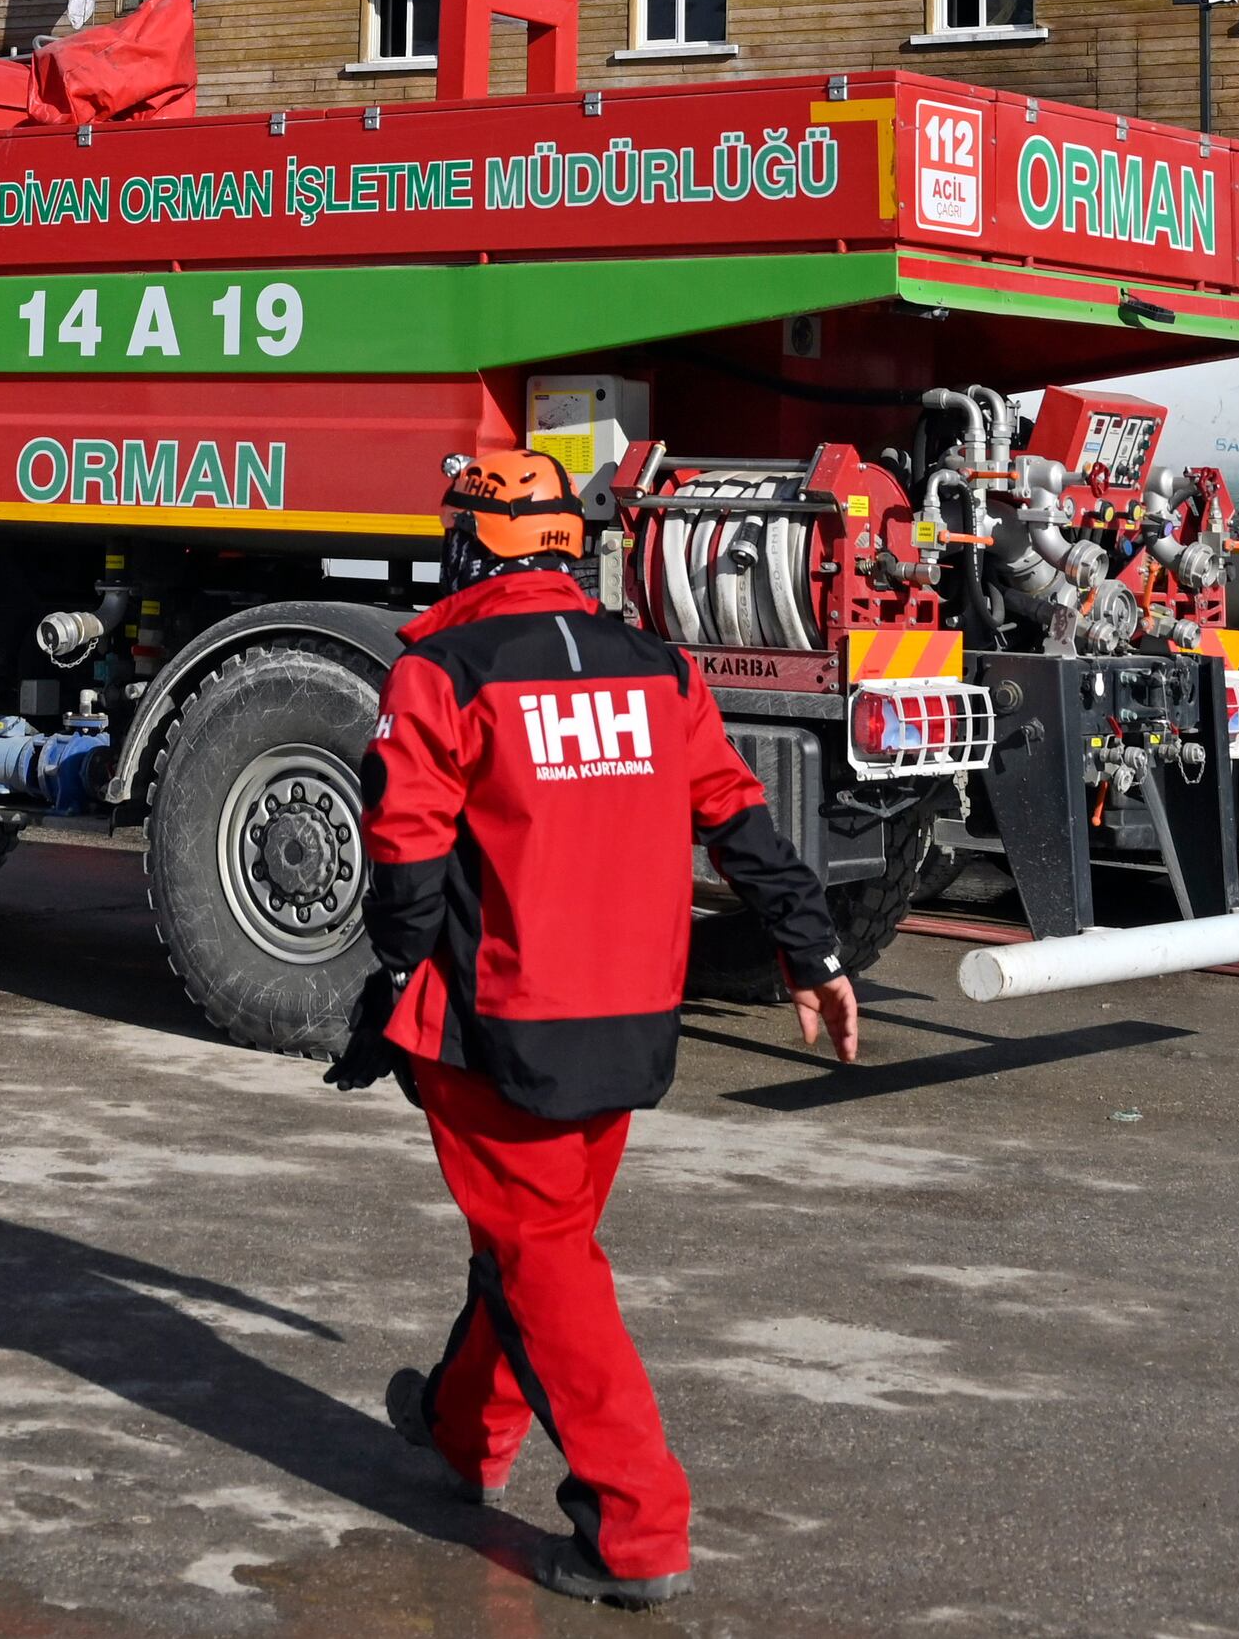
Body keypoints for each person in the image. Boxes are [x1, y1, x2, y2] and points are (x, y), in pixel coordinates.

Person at [331, 445, 861, 1611]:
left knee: (543, 1262)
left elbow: (407, 853)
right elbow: (738, 814)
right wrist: (811, 954)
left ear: (467, 545)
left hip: (499, 1025)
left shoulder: (441, 667)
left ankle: (633, 1526)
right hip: (628, 1022)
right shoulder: (655, 666)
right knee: (537, 1242)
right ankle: (463, 1432)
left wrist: (389, 985)